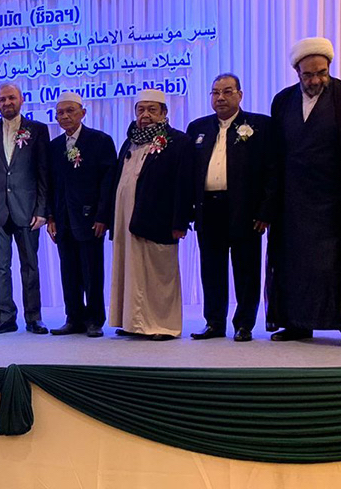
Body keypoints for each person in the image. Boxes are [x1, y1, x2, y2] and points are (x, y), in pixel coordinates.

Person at [267, 37, 341, 349]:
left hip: (337, 201)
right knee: (296, 264)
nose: (316, 80)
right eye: (309, 75)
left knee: (339, 265)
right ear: (297, 72)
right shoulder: (283, 101)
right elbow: (275, 155)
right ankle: (297, 323)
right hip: (294, 202)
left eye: (322, 73)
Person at [186, 74, 276, 343]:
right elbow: (188, 172)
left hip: (245, 211)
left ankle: (244, 324)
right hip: (208, 209)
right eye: (215, 93)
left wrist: (265, 211)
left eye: (227, 92)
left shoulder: (259, 126)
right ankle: (214, 323)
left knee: (246, 270)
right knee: (211, 270)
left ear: (240, 95)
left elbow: (272, 172)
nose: (220, 98)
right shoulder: (198, 127)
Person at [107, 89, 194, 341]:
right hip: (127, 220)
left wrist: (180, 221)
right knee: (131, 270)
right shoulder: (130, 141)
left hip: (159, 219)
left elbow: (184, 185)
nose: (145, 115)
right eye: (141, 110)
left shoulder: (178, 141)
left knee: (159, 273)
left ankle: (164, 325)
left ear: (164, 113)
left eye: (151, 110)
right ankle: (133, 322)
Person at [0, 82, 50, 334]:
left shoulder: (37, 130)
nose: (7, 103)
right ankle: (5, 317)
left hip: (27, 210)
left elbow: (43, 173)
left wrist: (42, 210)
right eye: (2, 99)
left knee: (30, 266)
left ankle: (34, 317)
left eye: (11, 98)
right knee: (0, 268)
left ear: (21, 99)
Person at [46, 92, 117, 337]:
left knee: (92, 271)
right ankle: (73, 318)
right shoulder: (54, 146)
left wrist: (103, 216)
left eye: (70, 111)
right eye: (60, 113)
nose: (65, 116)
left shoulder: (100, 141)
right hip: (62, 219)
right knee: (68, 272)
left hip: (90, 219)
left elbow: (108, 182)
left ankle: (95, 319)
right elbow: (49, 183)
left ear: (82, 113)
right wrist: (51, 217)